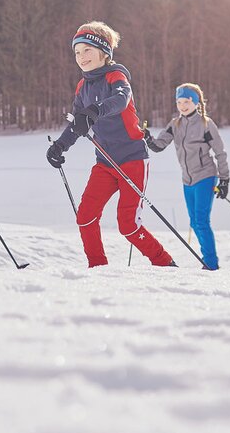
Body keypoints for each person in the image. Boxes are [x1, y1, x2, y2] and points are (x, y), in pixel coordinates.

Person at [46, 21, 176, 268]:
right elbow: (77, 122)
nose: (81, 57)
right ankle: (98, 269)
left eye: (87, 50)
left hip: (133, 160)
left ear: (103, 51)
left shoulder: (116, 75)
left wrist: (95, 110)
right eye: (77, 52)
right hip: (105, 164)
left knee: (128, 226)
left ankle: (165, 264)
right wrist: (60, 146)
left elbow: (121, 99)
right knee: (85, 217)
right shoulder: (82, 86)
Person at [144, 83, 229, 271]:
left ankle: (211, 264)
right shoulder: (175, 125)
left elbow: (220, 153)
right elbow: (159, 145)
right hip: (187, 180)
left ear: (196, 102)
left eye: (187, 102)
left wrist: (224, 180)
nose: (182, 106)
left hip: (205, 176)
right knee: (194, 221)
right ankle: (208, 260)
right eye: (179, 102)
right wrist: (148, 138)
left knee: (200, 220)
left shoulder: (206, 125)